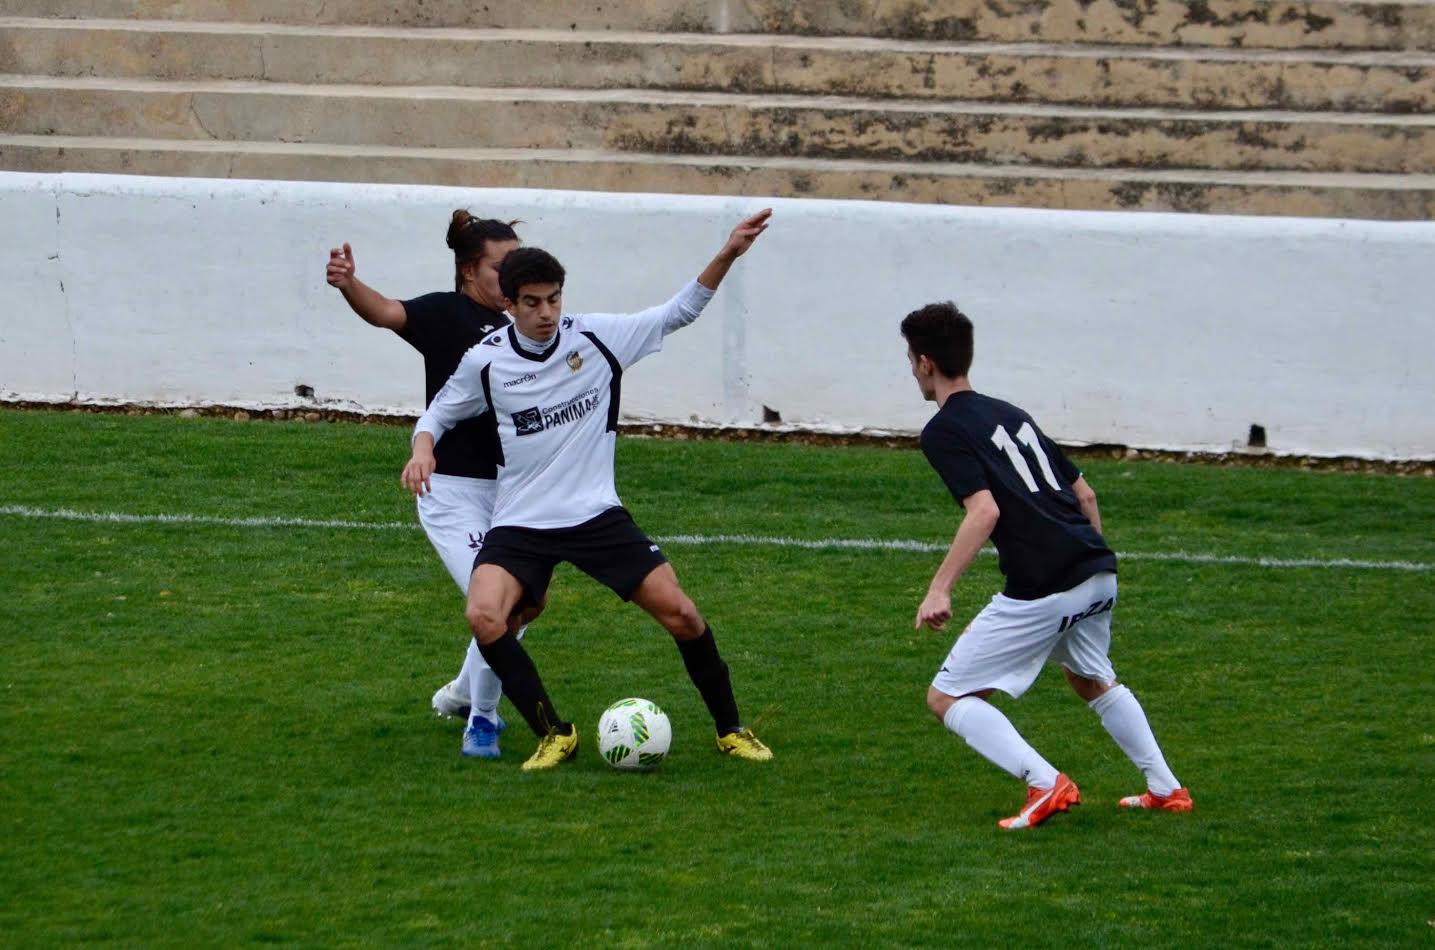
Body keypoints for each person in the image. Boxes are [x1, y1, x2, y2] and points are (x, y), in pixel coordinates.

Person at [401, 209, 775, 771]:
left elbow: (679, 312)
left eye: (554, 299)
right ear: (509, 303)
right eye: (532, 302)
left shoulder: (597, 337)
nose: (546, 313)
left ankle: (731, 730)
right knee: (484, 615)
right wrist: (423, 448)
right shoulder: (486, 361)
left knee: (682, 614)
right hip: (522, 521)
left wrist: (727, 253)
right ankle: (554, 734)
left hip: (595, 514)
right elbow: (437, 414)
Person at [902, 301, 1191, 830]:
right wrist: (1088, 560)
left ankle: (1044, 782)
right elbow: (1085, 494)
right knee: (1090, 678)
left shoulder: (943, 430)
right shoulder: (1011, 413)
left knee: (947, 696)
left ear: (925, 363)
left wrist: (939, 589)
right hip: (1097, 568)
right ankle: (1166, 789)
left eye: (910, 359)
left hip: (1047, 583)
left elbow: (984, 511)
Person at [327, 210, 530, 760]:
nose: (515, 277)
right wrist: (349, 284)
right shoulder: (447, 313)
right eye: (502, 267)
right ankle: (482, 722)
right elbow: (386, 311)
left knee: (521, 606)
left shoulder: (526, 325)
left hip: (513, 492)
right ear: (469, 271)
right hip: (454, 493)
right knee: (500, 604)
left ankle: (463, 693)